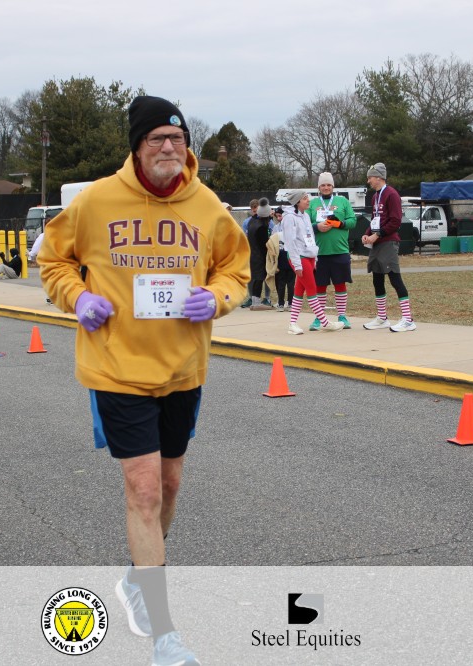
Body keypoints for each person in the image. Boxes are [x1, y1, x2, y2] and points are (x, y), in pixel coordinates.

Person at [38, 95, 249, 666]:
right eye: (157, 138)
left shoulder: (206, 205)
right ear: (137, 146)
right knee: (145, 489)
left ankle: (138, 576)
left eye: (178, 139)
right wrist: (77, 298)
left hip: (183, 369)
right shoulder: (97, 200)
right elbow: (52, 259)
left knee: (171, 485)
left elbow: (236, 269)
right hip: (117, 368)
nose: (169, 148)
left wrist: (218, 297)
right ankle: (164, 635)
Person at [361, 163, 416, 332]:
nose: (369, 181)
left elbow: (395, 221)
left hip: (388, 242)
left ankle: (408, 319)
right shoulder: (375, 196)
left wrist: (377, 235)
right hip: (377, 243)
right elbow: (375, 219)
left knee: (394, 277)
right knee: (377, 278)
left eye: (370, 177)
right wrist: (367, 233)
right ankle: (382, 317)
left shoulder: (391, 194)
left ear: (379, 177)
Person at [283, 190, 345, 334]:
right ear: (297, 201)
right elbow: (290, 242)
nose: (308, 200)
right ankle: (325, 322)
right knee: (312, 290)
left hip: (309, 256)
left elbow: (310, 237)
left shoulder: (305, 216)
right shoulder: (289, 218)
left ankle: (292, 324)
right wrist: (297, 264)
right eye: (305, 198)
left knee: (299, 291)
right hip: (299, 257)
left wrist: (314, 257)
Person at [307, 172, 356, 330]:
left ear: (333, 186)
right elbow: (304, 224)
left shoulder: (343, 201)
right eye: (323, 185)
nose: (326, 187)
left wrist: (339, 224)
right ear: (319, 187)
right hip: (319, 253)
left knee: (340, 284)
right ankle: (319, 318)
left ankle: (342, 316)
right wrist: (317, 227)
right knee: (320, 286)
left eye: (329, 185)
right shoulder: (313, 203)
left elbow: (353, 221)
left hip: (340, 250)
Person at [247, 198, 274, 310]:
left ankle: (254, 301)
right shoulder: (262, 227)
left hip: (252, 253)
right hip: (260, 255)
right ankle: (257, 302)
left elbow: (256, 217)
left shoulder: (252, 222)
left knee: (255, 278)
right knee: (259, 277)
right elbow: (264, 243)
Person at [271, 207, 296, 311]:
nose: (279, 218)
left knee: (290, 282)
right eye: (277, 216)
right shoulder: (276, 227)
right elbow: (272, 242)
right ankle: (281, 303)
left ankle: (290, 303)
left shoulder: (293, 226)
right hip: (280, 256)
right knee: (280, 282)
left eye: (280, 216)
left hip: (290, 255)